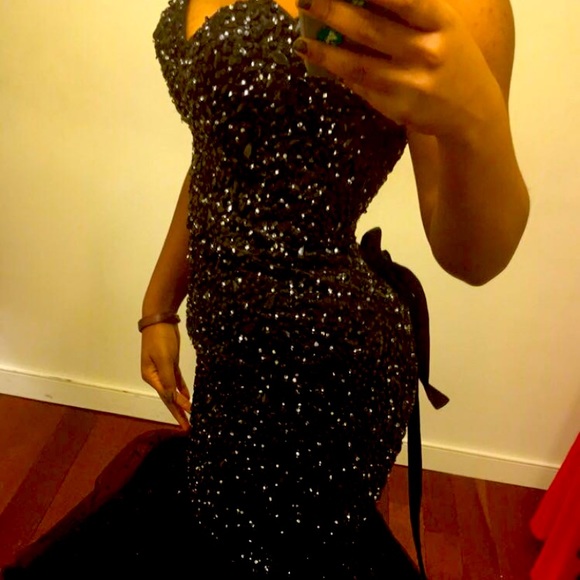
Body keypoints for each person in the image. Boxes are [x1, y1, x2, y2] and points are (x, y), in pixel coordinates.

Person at [2, 0, 528, 578]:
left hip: (323, 367)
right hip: (224, 353)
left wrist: (477, 121)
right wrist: (159, 304)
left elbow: (473, 259)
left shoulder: (461, 7)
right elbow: (223, 147)